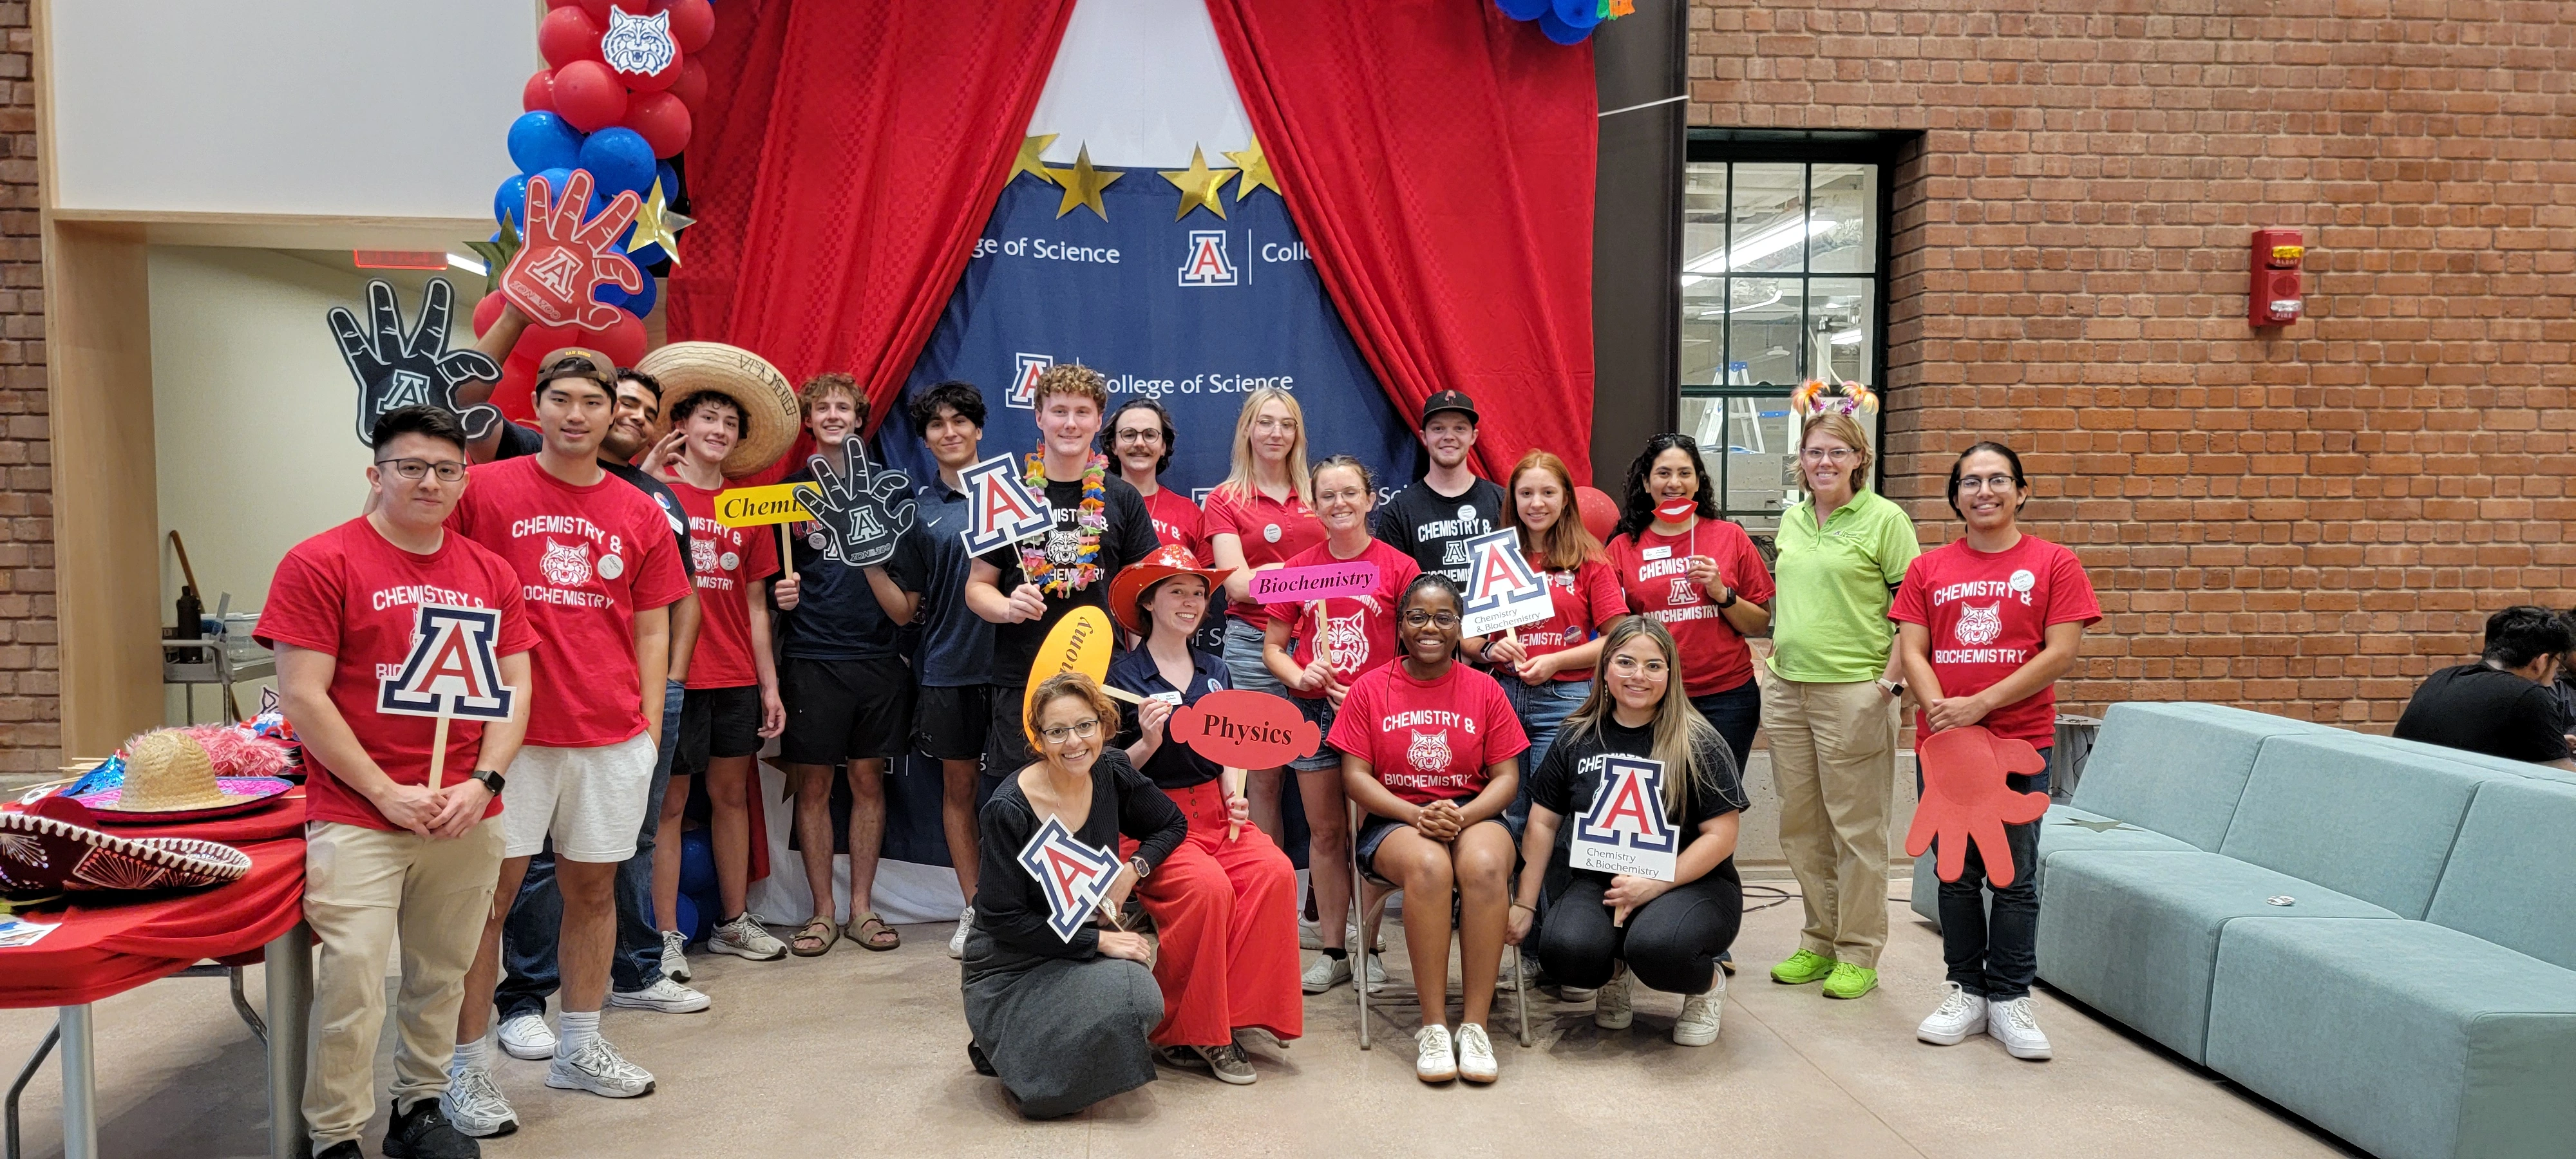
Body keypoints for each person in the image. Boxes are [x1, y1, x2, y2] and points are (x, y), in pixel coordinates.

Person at [261, 406, 536, 1159]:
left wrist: (483, 782)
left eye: (447, 470)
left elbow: (514, 688)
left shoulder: (490, 573)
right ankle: (334, 1135)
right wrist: (385, 791)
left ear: (463, 480)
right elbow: (304, 696)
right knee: (352, 981)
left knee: (443, 973)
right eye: (410, 467)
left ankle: (418, 1108)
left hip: (463, 812)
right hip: (358, 813)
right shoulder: (320, 562)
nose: (429, 482)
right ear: (375, 474)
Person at [444, 352, 690, 1135]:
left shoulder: (640, 509)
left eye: (595, 400)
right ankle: (466, 1069)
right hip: (506, 738)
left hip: (609, 733)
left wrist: (649, 726)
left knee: (593, 893)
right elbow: (414, 546)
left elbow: (654, 624)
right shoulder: (484, 491)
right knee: (487, 903)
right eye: (562, 399)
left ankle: (579, 1046)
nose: (578, 414)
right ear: (538, 406)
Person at [1894, 441, 2101, 1062]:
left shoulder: (2055, 563)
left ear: (2022, 491)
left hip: (2018, 746)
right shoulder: (1929, 569)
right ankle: (1966, 990)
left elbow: (2060, 653)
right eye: (1971, 481)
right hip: (1946, 751)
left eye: (1998, 480)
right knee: (1955, 875)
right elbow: (1913, 651)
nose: (1985, 491)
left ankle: (2011, 997)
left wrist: (1979, 706)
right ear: (1954, 495)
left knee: (2014, 877)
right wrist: (1942, 713)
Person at [1105, 546, 1302, 1084]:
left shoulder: (1216, 669)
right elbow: (1105, 772)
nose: (1192, 602)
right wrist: (1146, 741)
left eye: (1198, 593)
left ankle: (1231, 1014)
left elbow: (1230, 747)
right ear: (1148, 602)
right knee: (1208, 889)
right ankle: (1194, 1030)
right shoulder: (1120, 675)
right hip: (1150, 821)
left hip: (1217, 813)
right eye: (1177, 592)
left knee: (1274, 871)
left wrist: (1235, 793)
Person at [1508, 618, 1746, 1048]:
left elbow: (1722, 835)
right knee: (1563, 952)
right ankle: (1614, 973)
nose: (1639, 676)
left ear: (1671, 675)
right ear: (1604, 670)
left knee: (1658, 948)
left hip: (1690, 883)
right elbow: (1543, 822)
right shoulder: (1576, 735)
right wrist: (1525, 904)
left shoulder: (1698, 741)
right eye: (1626, 662)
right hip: (1601, 880)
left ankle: (1705, 987)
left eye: (1654, 666)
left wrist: (1656, 883)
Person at [960, 673, 1186, 1118]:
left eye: (1085, 726)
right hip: (1008, 961)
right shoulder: (1007, 808)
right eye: (1057, 731)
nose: (1074, 742)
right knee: (1128, 993)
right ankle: (1015, 1050)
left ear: (1103, 725)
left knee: (1140, 995)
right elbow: (1002, 918)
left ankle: (1016, 1044)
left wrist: (1131, 870)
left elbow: (1171, 824)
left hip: (1069, 945)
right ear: (1039, 740)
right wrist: (1097, 942)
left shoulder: (1111, 769)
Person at [1331, 574, 1528, 1084]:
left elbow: (1507, 778)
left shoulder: (1485, 689)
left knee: (1483, 865)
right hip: (1398, 817)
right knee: (1429, 864)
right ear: (1400, 626)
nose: (1430, 627)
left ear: (1461, 626)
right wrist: (1413, 813)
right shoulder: (1370, 689)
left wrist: (1464, 815)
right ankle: (1435, 1026)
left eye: (1444, 617)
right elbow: (1354, 776)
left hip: (1473, 811)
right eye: (1418, 616)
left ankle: (1476, 1027)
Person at [1761, 390, 1919, 1002]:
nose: (1823, 462)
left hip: (1856, 691)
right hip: (1788, 688)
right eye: (1812, 452)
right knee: (1800, 827)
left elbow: (1914, 616)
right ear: (1800, 460)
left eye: (1836, 452)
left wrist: (1888, 685)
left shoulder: (1886, 521)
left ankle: (1858, 951)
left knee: (1857, 829)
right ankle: (1818, 940)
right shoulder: (1794, 519)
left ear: (1860, 458)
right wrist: (1771, 666)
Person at [774, 373, 923, 955]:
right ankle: (820, 913)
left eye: (844, 407)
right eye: (822, 408)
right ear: (807, 421)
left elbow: (911, 580)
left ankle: (862, 908)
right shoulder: (785, 494)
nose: (834, 415)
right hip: (811, 655)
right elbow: (765, 582)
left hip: (880, 655)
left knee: (866, 781)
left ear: (861, 419)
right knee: (812, 785)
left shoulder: (892, 489)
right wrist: (777, 595)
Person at [1262, 456, 1418, 994]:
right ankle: (1334, 950)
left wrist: (1378, 688)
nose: (1339, 504)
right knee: (1326, 833)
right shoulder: (1298, 569)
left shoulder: (1399, 568)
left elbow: (1422, 648)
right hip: (1314, 711)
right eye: (1327, 495)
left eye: (1350, 492)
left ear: (1371, 499)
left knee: (1371, 833)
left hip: (1380, 714)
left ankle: (1371, 947)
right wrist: (1302, 675)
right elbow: (1273, 648)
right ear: (1314, 504)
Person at [966, 364, 1162, 780]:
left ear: (1099, 420)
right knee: (1018, 807)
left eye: (1081, 412)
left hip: (1098, 679)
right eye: (1058, 412)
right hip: (1021, 676)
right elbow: (977, 588)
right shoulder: (1006, 494)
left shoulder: (1124, 498)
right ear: (1039, 417)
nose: (1070, 424)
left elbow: (1144, 600)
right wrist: (1005, 606)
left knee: (1093, 803)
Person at [653, 388, 788, 965]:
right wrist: (646, 476)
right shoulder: (654, 496)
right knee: (669, 806)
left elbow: (757, 604)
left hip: (734, 674)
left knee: (732, 797)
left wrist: (770, 684)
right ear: (682, 425)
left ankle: (733, 921)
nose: (720, 429)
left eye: (730, 422)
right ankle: (662, 937)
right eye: (708, 418)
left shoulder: (747, 506)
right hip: (675, 677)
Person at [1198, 387, 1326, 842]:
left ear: (1298, 434)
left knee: (1327, 783)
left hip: (1322, 649)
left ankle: (1326, 897)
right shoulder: (1224, 499)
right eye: (1266, 422)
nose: (1276, 433)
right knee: (1264, 780)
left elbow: (1345, 574)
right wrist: (1304, 576)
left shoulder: (1318, 493)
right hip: (1253, 647)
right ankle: (1273, 896)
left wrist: (1273, 574)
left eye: (1287, 424)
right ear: (1248, 430)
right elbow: (1236, 586)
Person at [902, 381, 1002, 957]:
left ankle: (1030, 906)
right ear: (925, 440)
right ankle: (976, 909)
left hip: (1018, 670)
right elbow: (910, 605)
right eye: (937, 425)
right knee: (959, 789)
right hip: (946, 667)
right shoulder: (919, 512)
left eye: (960, 421)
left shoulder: (1015, 495)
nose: (950, 432)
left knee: (1029, 791)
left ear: (979, 428)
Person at [1604, 434, 1774, 770]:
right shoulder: (1623, 547)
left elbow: (1758, 624)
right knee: (1658, 803)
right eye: (1663, 473)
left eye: (1685, 473)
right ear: (1646, 481)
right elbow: (1612, 632)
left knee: (1716, 802)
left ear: (1698, 481)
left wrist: (1722, 593)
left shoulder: (1730, 537)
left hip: (1726, 697)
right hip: (1651, 695)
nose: (1674, 483)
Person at [1475, 450, 1627, 795]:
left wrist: (1556, 661)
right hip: (1502, 695)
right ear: (1513, 499)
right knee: (1507, 808)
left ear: (1566, 499)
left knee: (1553, 808)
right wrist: (1490, 648)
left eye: (1548, 493)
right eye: (1526, 493)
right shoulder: (1496, 556)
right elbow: (1469, 638)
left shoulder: (1590, 560)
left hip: (1567, 697)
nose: (1536, 504)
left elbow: (1617, 639)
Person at [2392, 605, 2576, 769]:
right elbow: (2561, 778)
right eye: (2557, 663)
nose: (2556, 674)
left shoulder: (2441, 678)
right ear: (2542, 661)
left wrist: (2554, 745)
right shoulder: (2528, 695)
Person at [1373, 390, 1507, 587]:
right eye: (1438, 429)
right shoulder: (1400, 511)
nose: (1449, 437)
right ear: (1424, 437)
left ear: (1473, 436)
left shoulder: (1502, 502)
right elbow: (1389, 585)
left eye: (1460, 429)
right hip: (1430, 617)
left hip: (1491, 617)